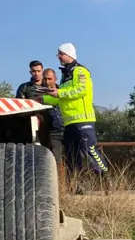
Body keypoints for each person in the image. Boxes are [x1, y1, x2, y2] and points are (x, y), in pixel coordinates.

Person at [41, 42, 109, 193]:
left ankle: (107, 178)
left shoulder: (80, 71)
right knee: (71, 156)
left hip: (83, 120)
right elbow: (61, 98)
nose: (58, 56)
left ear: (68, 54)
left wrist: (59, 93)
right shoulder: (65, 76)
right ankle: (77, 186)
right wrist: (43, 99)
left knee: (90, 150)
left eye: (60, 53)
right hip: (70, 122)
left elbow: (81, 90)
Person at [41, 68, 64, 166]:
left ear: (55, 78)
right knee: (55, 161)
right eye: (45, 79)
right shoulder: (38, 94)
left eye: (49, 79)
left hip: (68, 128)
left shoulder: (63, 91)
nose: (47, 81)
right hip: (52, 132)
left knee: (73, 158)